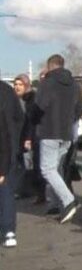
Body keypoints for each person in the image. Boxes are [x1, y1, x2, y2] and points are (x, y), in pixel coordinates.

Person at [30, 55, 82, 224]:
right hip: (66, 133)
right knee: (57, 169)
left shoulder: (47, 84)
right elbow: (80, 108)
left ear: (50, 66)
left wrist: (34, 121)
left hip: (49, 131)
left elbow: (38, 107)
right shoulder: (75, 85)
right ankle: (57, 203)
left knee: (47, 169)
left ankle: (68, 201)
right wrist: (69, 121)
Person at [13, 74, 44, 202]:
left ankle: (33, 191)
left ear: (26, 85)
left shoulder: (31, 99)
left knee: (29, 164)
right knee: (21, 164)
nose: (17, 87)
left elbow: (31, 120)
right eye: (15, 84)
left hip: (28, 135)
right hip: (17, 136)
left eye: (20, 84)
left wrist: (28, 138)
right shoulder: (14, 99)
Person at [0, 80, 23, 248]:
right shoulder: (8, 91)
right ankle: (9, 230)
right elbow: (19, 118)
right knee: (7, 190)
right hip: (9, 145)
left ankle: (7, 228)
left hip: (5, 145)